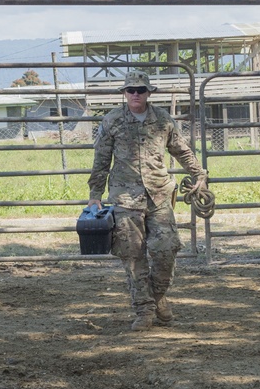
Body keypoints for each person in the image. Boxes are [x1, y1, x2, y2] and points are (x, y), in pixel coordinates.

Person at [88, 70, 207, 331]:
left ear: (148, 93)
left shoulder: (163, 120)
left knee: (166, 250)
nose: (135, 94)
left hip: (159, 195)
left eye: (140, 90)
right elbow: (101, 161)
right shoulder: (112, 121)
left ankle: (158, 297)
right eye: (130, 90)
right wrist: (94, 195)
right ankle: (144, 310)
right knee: (132, 256)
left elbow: (181, 149)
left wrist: (199, 174)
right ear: (124, 93)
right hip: (125, 198)